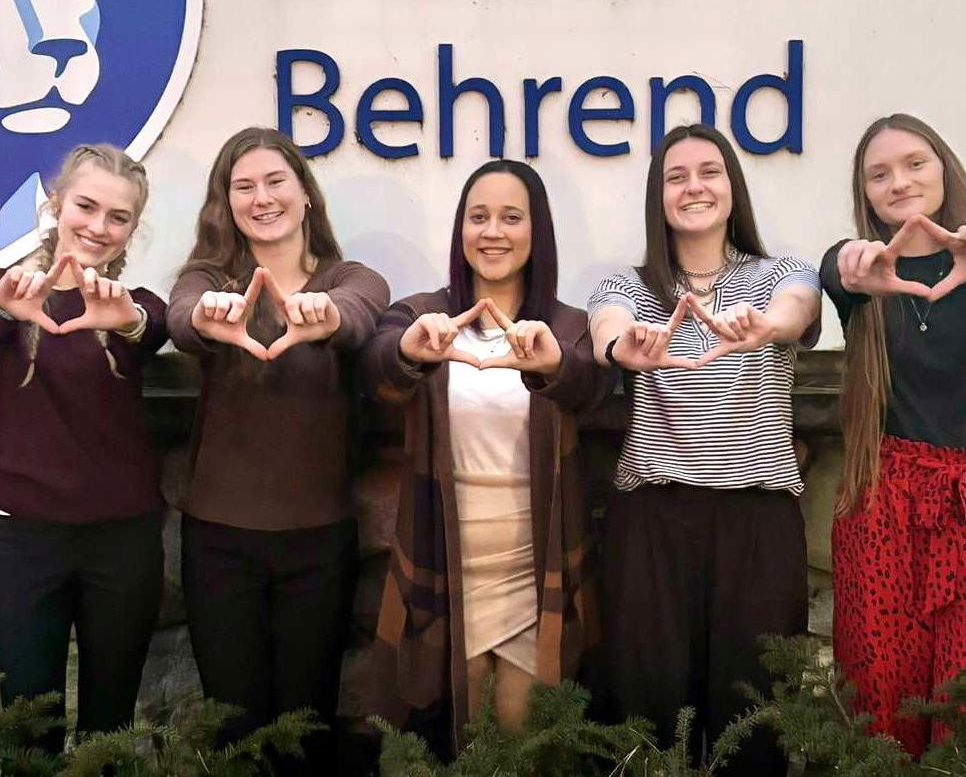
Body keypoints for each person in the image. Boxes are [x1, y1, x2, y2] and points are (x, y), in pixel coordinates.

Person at [586, 123, 821, 776]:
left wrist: (767, 325)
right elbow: (608, 326)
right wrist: (621, 345)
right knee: (646, 715)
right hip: (654, 520)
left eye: (709, 171)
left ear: (733, 186)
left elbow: (797, 308)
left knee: (754, 717)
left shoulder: (782, 273)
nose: (695, 186)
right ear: (657, 196)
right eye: (676, 175)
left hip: (758, 520)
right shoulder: (626, 286)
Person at [364, 160, 606, 746]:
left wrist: (551, 367)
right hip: (447, 559)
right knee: (462, 735)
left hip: (535, 562)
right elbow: (378, 368)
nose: (492, 231)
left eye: (511, 217)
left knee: (522, 741)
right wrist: (411, 350)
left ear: (537, 232)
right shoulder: (425, 313)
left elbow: (590, 390)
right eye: (478, 217)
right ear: (460, 230)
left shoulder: (568, 325)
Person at [820, 113, 966, 768]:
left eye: (915, 163)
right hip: (882, 504)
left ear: (945, 169)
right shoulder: (860, 274)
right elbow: (839, 272)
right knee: (881, 702)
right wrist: (851, 268)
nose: (900, 181)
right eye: (879, 173)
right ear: (865, 194)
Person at [166, 126, 389, 755]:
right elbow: (182, 317)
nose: (261, 198)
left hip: (319, 539)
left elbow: (364, 309)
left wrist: (327, 316)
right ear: (226, 203)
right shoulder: (210, 279)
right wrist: (210, 316)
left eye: (275, 181)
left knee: (305, 727)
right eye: (244, 186)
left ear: (306, 194)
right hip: (219, 538)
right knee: (233, 727)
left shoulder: (349, 278)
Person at [0, 143, 168, 753]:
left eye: (118, 216)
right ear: (56, 204)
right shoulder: (1, 289)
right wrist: (8, 300)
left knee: (109, 730)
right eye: (86, 206)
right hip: (25, 540)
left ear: (133, 227)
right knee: (28, 728)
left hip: (124, 542)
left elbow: (147, 328)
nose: (99, 226)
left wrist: (125, 319)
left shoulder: (137, 306)